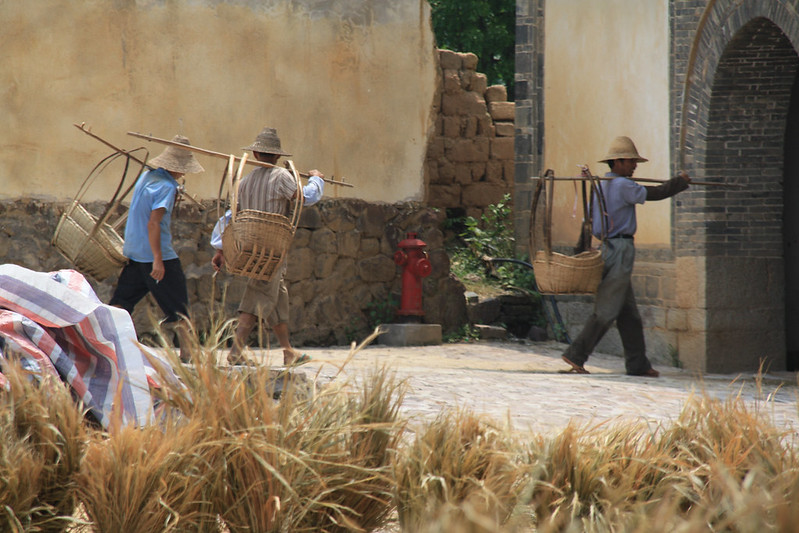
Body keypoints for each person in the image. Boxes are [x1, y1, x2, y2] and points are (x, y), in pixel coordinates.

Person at [561, 136, 691, 377]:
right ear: (618, 162)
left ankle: (637, 364)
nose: (634, 166)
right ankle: (576, 354)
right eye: (631, 162)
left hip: (606, 248)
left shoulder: (601, 184)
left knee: (628, 314)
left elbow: (590, 219)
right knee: (607, 310)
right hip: (620, 250)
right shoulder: (623, 185)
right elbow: (657, 193)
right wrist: (680, 182)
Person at [210, 127, 324, 366]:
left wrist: (221, 250)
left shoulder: (245, 182)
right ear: (278, 156)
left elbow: (232, 216)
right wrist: (316, 179)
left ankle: (288, 351)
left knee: (277, 295)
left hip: (249, 248)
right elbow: (305, 198)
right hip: (271, 250)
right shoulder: (281, 176)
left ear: (255, 154)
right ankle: (236, 351)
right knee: (257, 295)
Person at [110, 135, 204, 363]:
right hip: (155, 255)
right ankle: (189, 354)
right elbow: (153, 223)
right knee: (178, 305)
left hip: (135, 252)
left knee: (122, 302)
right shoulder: (167, 187)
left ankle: (107, 343)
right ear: (179, 167)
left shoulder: (147, 176)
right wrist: (158, 260)